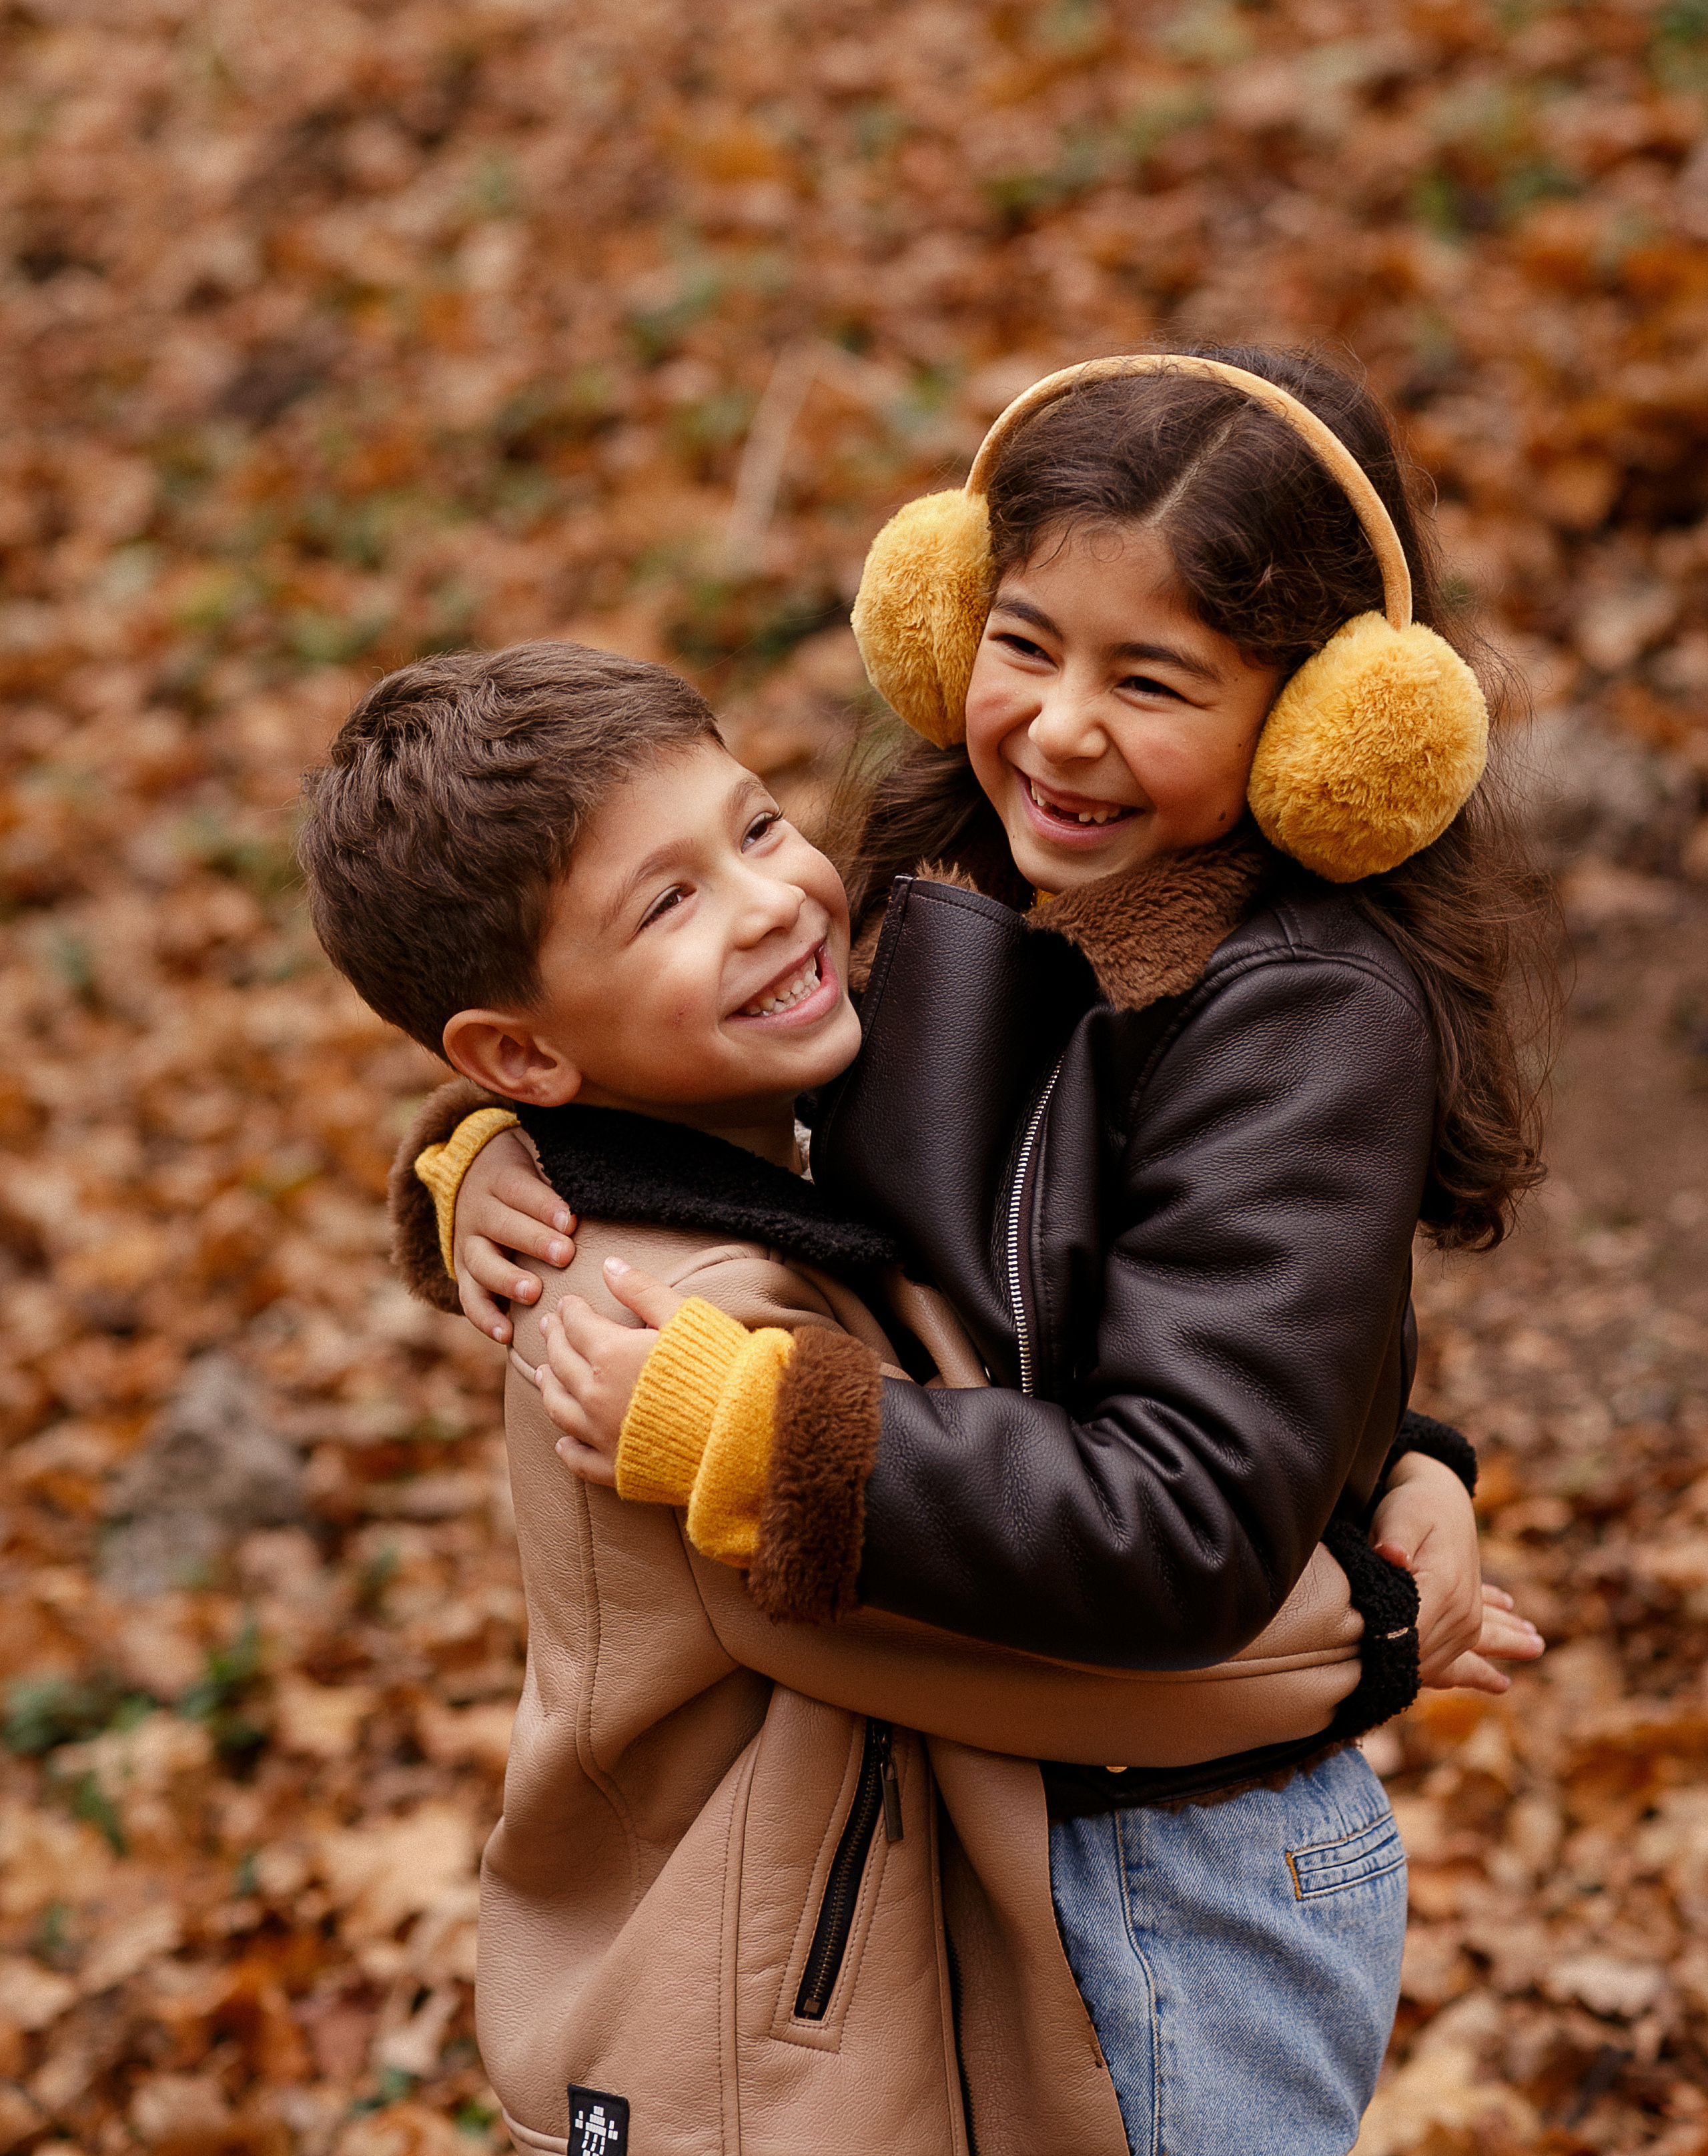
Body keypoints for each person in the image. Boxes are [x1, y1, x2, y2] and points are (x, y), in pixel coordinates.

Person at [425, 350, 1550, 2152]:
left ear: (1336, 726)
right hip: (1017, 1794)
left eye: (1155, 679)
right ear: (950, 613)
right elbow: (781, 1127)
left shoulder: (1303, 1018)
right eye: (1025, 643)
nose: (1061, 725)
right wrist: (497, 1158)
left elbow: (1188, 1497)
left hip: (1178, 1863)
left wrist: (765, 1427)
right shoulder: (969, 871)